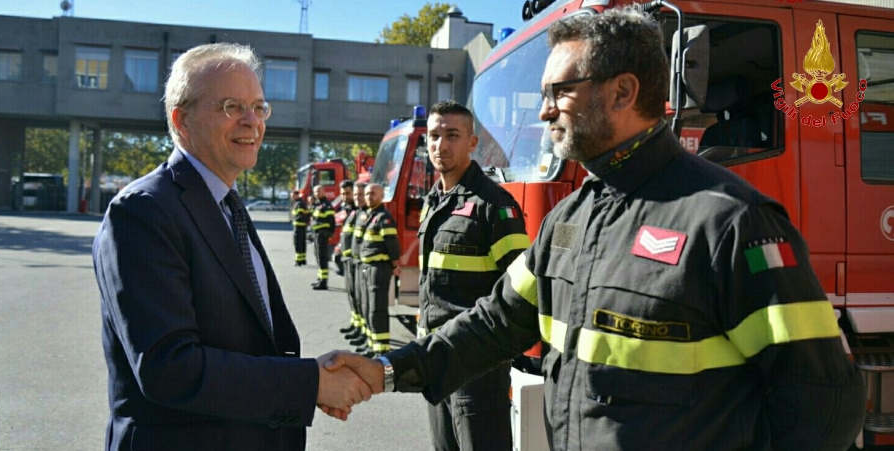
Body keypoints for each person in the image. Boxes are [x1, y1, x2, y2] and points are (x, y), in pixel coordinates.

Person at [328, 7, 866, 451]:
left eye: (558, 91)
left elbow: (823, 408)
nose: (542, 113)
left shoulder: (730, 222)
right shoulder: (569, 218)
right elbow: (495, 323)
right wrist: (388, 369)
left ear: (623, 92)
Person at [92, 42, 371, 451]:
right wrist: (309, 384)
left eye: (259, 108)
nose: (251, 122)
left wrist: (310, 377)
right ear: (181, 120)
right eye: (231, 107)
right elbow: (169, 370)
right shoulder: (144, 211)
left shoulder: (225, 203)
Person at [418, 100, 530, 451]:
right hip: (435, 361)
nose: (441, 145)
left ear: (472, 142)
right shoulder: (434, 201)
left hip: (476, 367)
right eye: (434, 136)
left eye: (452, 135)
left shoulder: (494, 204)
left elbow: (518, 293)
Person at [355, 183, 400, 358]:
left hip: (378, 268)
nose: (369, 196)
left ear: (381, 196)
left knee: (377, 309)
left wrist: (396, 264)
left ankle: (382, 350)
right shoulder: (370, 215)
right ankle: (373, 345)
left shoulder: (383, 217)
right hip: (368, 267)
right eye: (367, 193)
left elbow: (392, 244)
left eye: (373, 193)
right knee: (368, 308)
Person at [347, 186, 372, 350]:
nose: (358, 198)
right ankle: (361, 331)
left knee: (368, 304)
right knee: (356, 299)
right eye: (356, 195)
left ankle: (368, 339)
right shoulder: (359, 213)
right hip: (354, 261)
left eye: (361, 195)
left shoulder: (369, 215)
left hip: (364, 264)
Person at [339, 181, 366, 336]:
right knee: (352, 296)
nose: (346, 197)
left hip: (357, 261)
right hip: (348, 259)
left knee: (360, 298)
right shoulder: (351, 211)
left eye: (349, 193)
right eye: (353, 194)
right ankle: (356, 325)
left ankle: (362, 330)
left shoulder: (361, 213)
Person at [310, 184, 335, 290]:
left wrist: (329, 233)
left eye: (319, 191)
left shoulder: (326, 205)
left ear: (324, 192)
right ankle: (320, 279)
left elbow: (331, 221)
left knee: (322, 258)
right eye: (316, 192)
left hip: (322, 234)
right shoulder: (317, 205)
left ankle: (324, 282)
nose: (317, 193)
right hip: (316, 234)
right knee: (318, 257)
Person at [333, 180, 355, 277]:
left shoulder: (358, 209)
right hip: (346, 253)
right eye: (343, 194)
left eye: (348, 193)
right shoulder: (346, 207)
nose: (345, 196)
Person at [290, 189, 310, 266]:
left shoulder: (299, 204)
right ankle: (302, 260)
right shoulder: (301, 203)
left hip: (298, 227)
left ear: (297, 195)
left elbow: (300, 215)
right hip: (302, 227)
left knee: (297, 244)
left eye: (293, 196)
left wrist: (296, 220)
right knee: (302, 244)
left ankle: (298, 261)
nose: (292, 197)